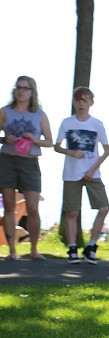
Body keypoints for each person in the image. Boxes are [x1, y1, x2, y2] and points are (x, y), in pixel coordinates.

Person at [54, 86, 109, 264]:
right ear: (74, 102)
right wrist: (70, 152)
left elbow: (107, 150)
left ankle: (91, 246)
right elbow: (57, 146)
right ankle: (72, 248)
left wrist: (93, 169)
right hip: (71, 173)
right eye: (78, 100)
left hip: (92, 172)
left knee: (104, 208)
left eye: (85, 100)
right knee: (72, 212)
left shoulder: (97, 124)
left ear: (91, 102)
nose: (81, 103)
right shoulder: (66, 123)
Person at [1, 76, 53, 260]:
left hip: (29, 162)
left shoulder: (39, 114)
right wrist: (3, 139)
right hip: (7, 160)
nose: (21, 91)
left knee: (32, 208)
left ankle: (33, 249)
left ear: (32, 92)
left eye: (25, 88)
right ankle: (12, 251)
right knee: (9, 206)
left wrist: (34, 139)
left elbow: (50, 142)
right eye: (18, 87)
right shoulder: (5, 112)